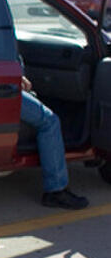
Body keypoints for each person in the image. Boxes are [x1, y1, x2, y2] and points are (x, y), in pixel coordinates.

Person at [21, 76, 89, 209]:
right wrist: (16, 76)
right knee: (50, 122)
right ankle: (56, 190)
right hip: (4, 85)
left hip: (6, 81)